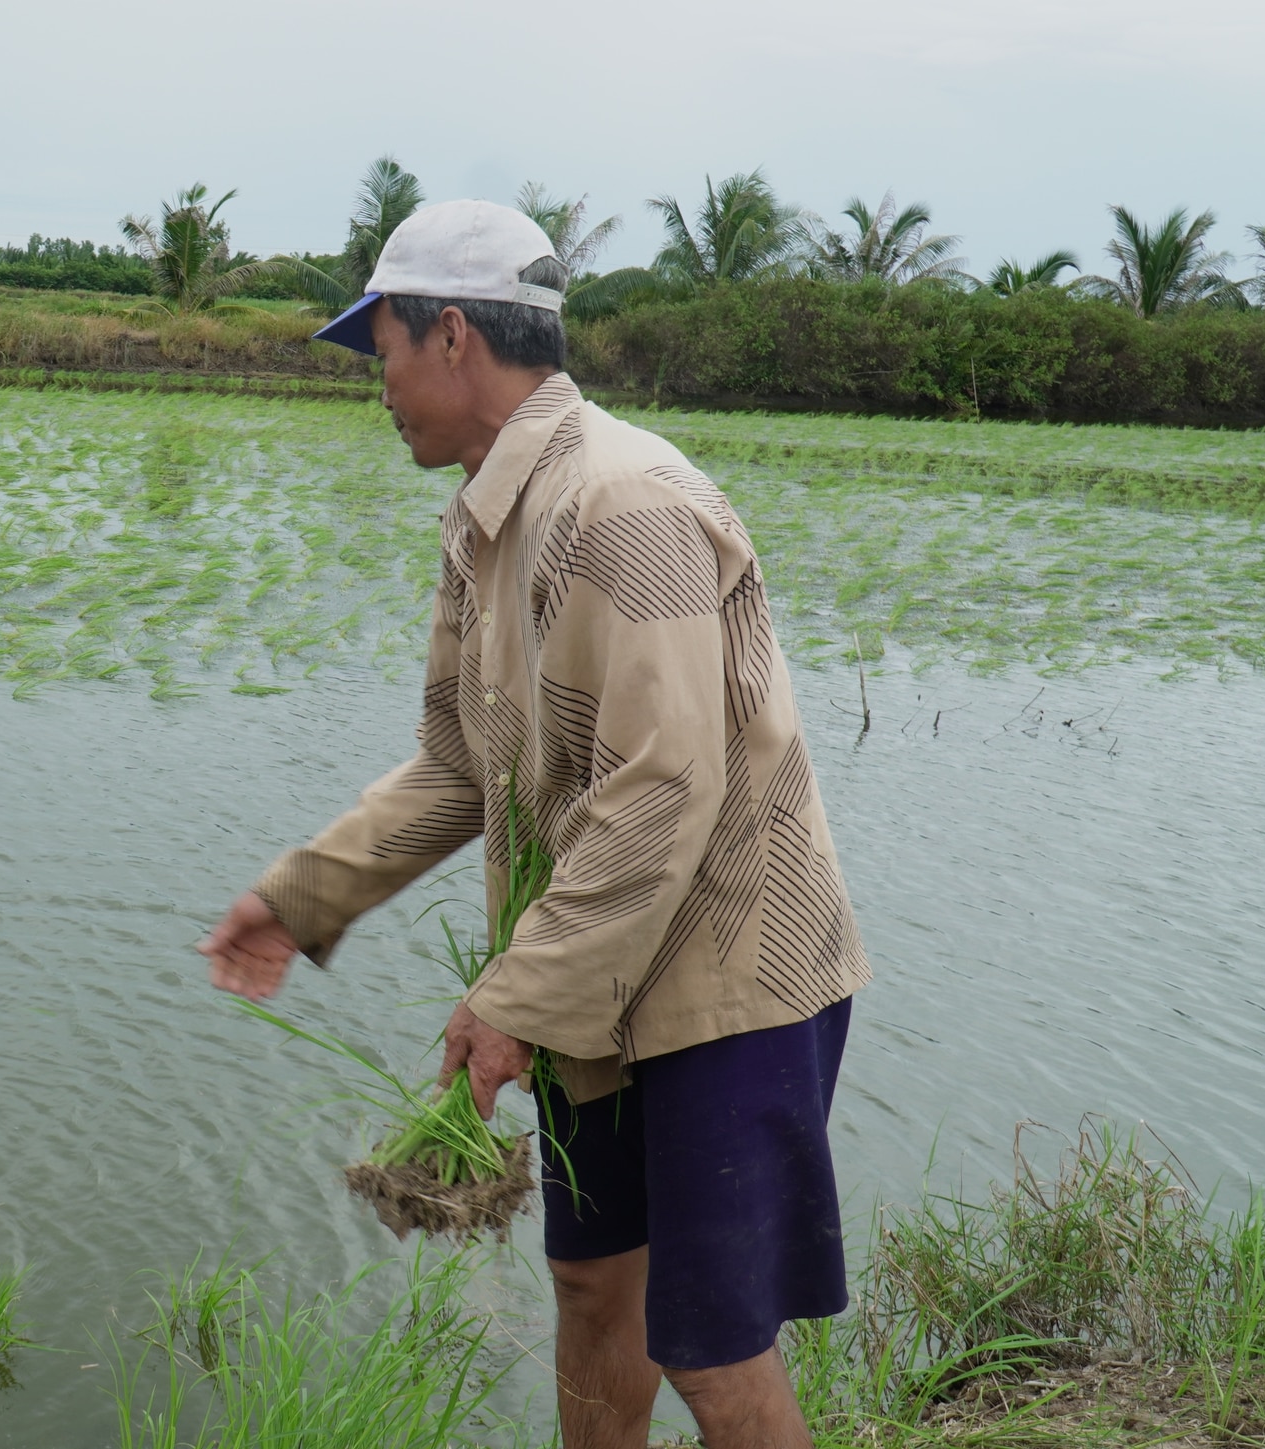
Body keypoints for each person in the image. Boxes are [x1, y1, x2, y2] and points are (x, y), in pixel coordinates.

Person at [197, 199, 870, 1449]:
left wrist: (514, 997)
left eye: (380, 347)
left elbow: (663, 792)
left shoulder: (626, 506)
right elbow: (462, 771)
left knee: (710, 1349)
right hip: (600, 973)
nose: (376, 383)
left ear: (451, 335)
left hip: (725, 979)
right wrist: (299, 897)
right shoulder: (487, 521)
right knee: (589, 1281)